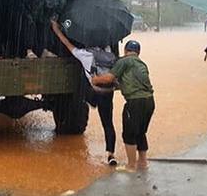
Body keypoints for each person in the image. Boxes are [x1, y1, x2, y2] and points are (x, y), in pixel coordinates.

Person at [50, 19, 118, 166]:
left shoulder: (85, 55)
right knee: (108, 124)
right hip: (108, 92)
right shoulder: (108, 52)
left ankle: (89, 102)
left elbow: (67, 44)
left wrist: (56, 29)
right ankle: (111, 154)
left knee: (80, 84)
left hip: (94, 93)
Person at [92, 40, 155, 172]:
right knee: (140, 133)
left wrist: (96, 80)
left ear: (126, 51)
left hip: (135, 102)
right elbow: (131, 83)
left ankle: (131, 165)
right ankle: (143, 163)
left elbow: (109, 77)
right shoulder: (141, 64)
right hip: (149, 101)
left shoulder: (123, 62)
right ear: (138, 52)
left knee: (129, 133)